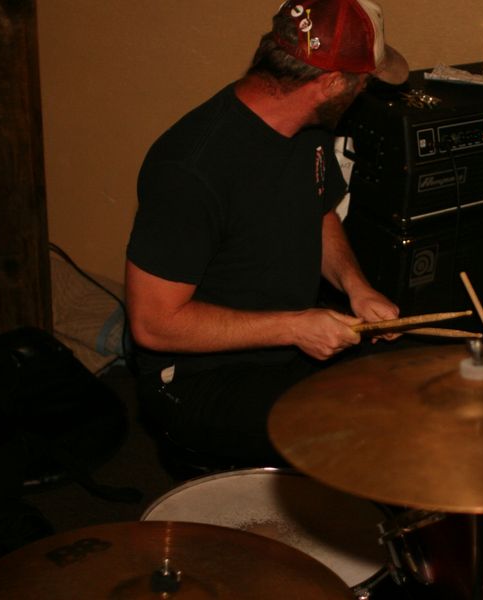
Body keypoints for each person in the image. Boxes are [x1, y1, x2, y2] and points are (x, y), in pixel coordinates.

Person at [125, 0, 409, 468]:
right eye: (363, 82)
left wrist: (356, 288)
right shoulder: (191, 169)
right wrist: (295, 326)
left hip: (282, 348)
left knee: (424, 378)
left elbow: (318, 212)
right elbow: (153, 324)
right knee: (374, 433)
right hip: (200, 379)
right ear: (331, 84)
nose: (364, 92)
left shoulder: (310, 125)